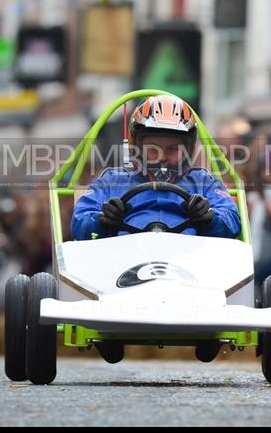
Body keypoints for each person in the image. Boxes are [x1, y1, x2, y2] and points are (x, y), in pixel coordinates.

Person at [70, 95, 241, 364]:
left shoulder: (203, 182)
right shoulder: (113, 180)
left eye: (173, 149)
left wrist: (209, 219)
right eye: (153, 149)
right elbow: (80, 222)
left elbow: (232, 219)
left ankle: (210, 329)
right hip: (120, 273)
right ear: (136, 147)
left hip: (192, 273)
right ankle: (107, 329)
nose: (163, 157)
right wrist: (103, 220)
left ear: (189, 149)